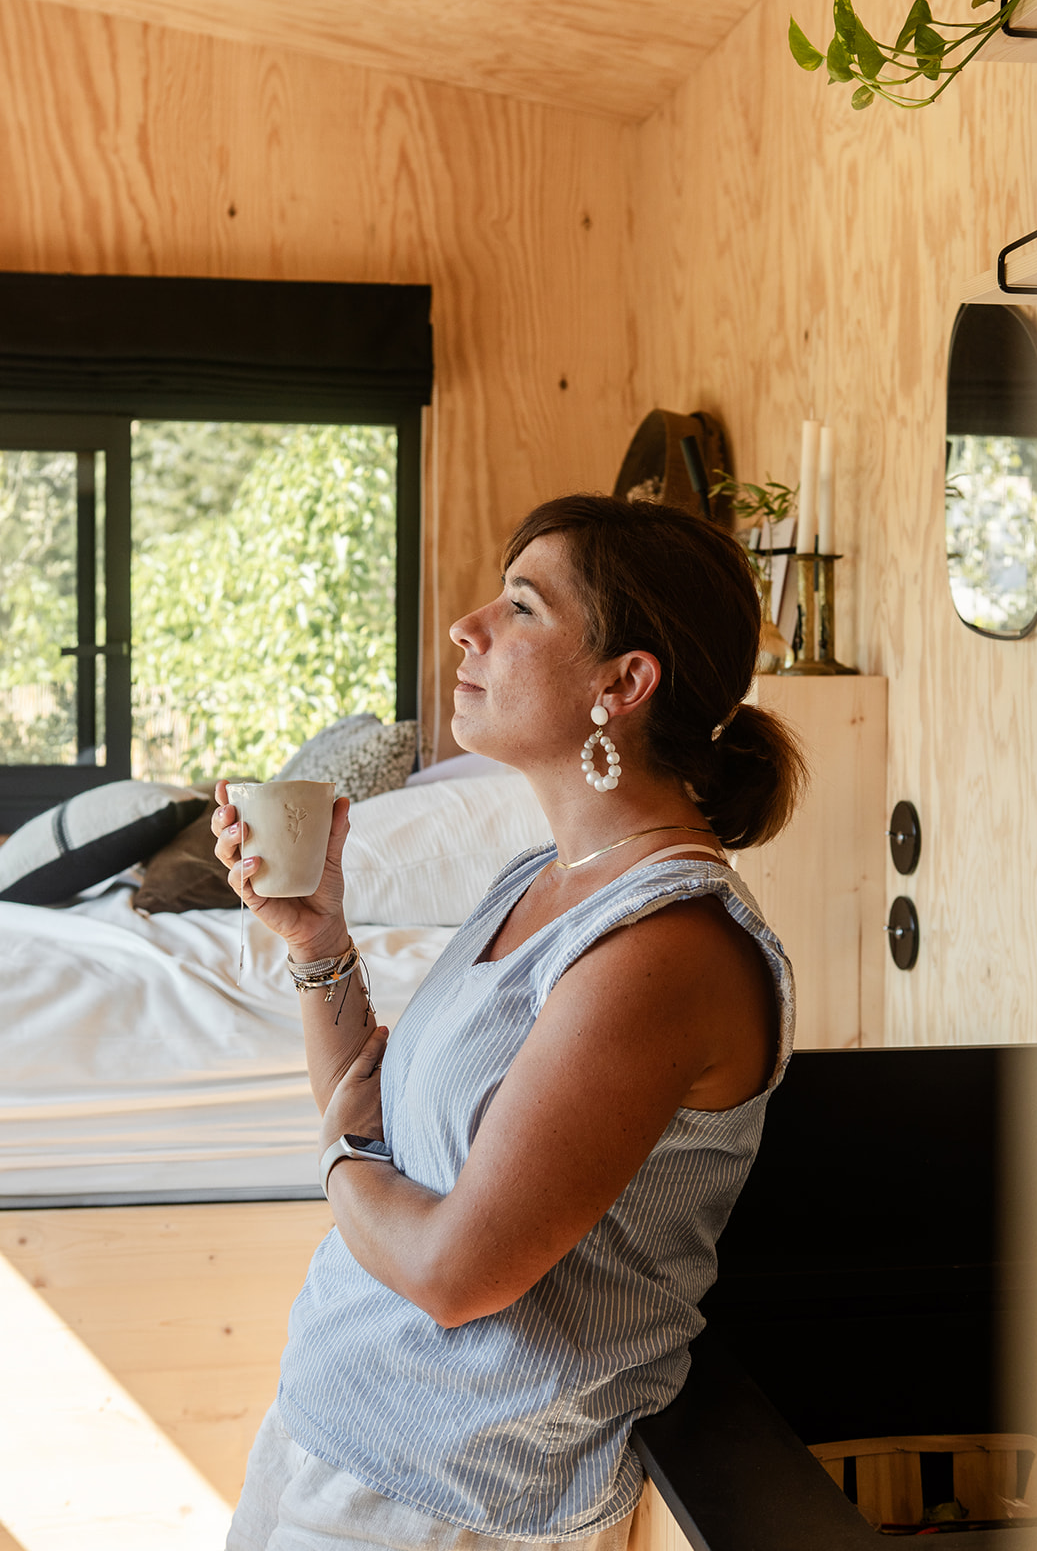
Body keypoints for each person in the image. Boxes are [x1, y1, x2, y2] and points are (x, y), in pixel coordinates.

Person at [216, 492, 806, 1551]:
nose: (468, 624)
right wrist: (317, 940)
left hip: (453, 1501)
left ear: (622, 684)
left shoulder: (662, 950)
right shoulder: (540, 878)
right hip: (332, 1435)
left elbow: (454, 1271)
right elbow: (378, 1113)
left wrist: (336, 1164)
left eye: (522, 606)